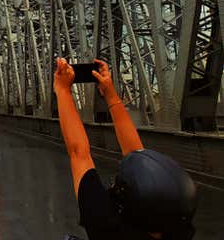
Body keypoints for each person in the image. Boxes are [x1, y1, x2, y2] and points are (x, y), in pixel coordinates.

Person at [54, 58, 197, 239]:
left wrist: (62, 91)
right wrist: (111, 95)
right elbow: (138, 160)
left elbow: (79, 153)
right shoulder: (179, 229)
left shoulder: (106, 225)